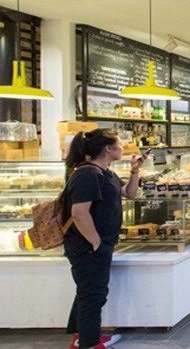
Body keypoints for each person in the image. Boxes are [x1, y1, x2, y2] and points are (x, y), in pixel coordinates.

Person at [63, 128, 144, 349]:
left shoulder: (105, 172)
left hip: (98, 243)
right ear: (108, 148)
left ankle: (80, 338)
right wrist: (95, 242)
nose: (123, 147)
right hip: (87, 246)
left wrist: (135, 171)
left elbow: (129, 193)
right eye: (119, 143)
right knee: (94, 295)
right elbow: (79, 213)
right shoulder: (87, 175)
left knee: (88, 291)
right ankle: (89, 344)